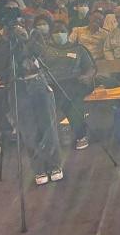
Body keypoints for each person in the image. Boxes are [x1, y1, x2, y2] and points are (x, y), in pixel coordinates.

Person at [0, 0, 62, 185]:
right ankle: (38, 168)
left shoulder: (33, 31)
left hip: (37, 81)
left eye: (15, 9)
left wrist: (25, 38)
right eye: (8, 10)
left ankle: (55, 164)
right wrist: (5, 39)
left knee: (48, 125)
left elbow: (40, 52)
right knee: (28, 129)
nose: (14, 13)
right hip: (17, 86)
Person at [41, 21, 96, 150]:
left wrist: (87, 76)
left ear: (68, 33)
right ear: (51, 35)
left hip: (76, 82)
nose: (59, 34)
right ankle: (75, 134)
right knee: (58, 99)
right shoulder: (45, 50)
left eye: (62, 31)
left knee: (70, 98)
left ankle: (81, 135)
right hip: (52, 84)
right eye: (56, 32)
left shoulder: (79, 49)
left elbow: (91, 68)